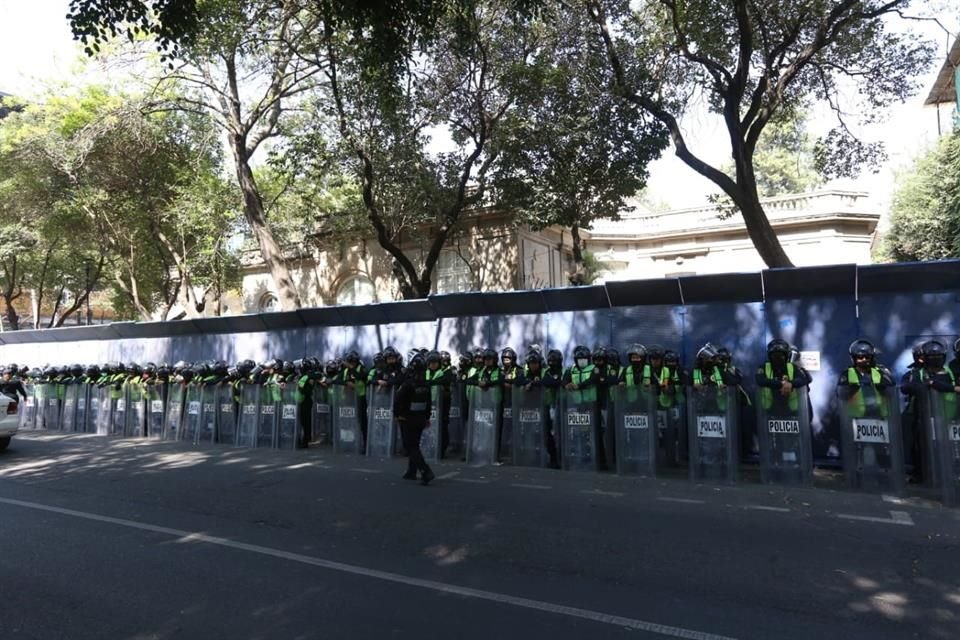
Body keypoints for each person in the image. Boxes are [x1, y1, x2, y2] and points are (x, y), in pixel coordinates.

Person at [900, 340, 955, 483]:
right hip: (922, 416)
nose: (935, 360)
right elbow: (906, 387)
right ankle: (921, 474)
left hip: (947, 416)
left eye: (938, 356)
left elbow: (951, 386)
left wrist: (936, 384)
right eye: (931, 357)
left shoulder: (949, 371)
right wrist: (925, 385)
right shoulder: (916, 372)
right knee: (920, 446)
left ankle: (948, 474)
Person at [395, 353, 435, 485]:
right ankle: (411, 471)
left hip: (407, 418)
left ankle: (425, 471)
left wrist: (397, 414)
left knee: (410, 445)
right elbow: (429, 403)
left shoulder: (408, 384)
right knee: (415, 445)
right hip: (420, 418)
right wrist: (427, 417)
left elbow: (399, 400)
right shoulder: (426, 384)